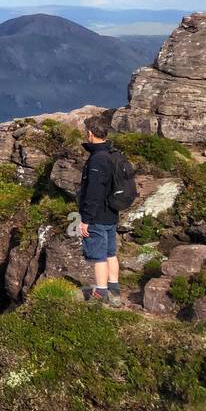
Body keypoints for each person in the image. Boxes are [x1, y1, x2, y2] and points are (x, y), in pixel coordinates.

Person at [78, 111, 121, 306]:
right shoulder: (113, 154)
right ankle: (114, 289)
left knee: (99, 255)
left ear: (90, 133)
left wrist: (86, 219)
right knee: (111, 252)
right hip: (111, 213)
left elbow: (93, 192)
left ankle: (101, 293)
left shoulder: (97, 159)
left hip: (97, 216)